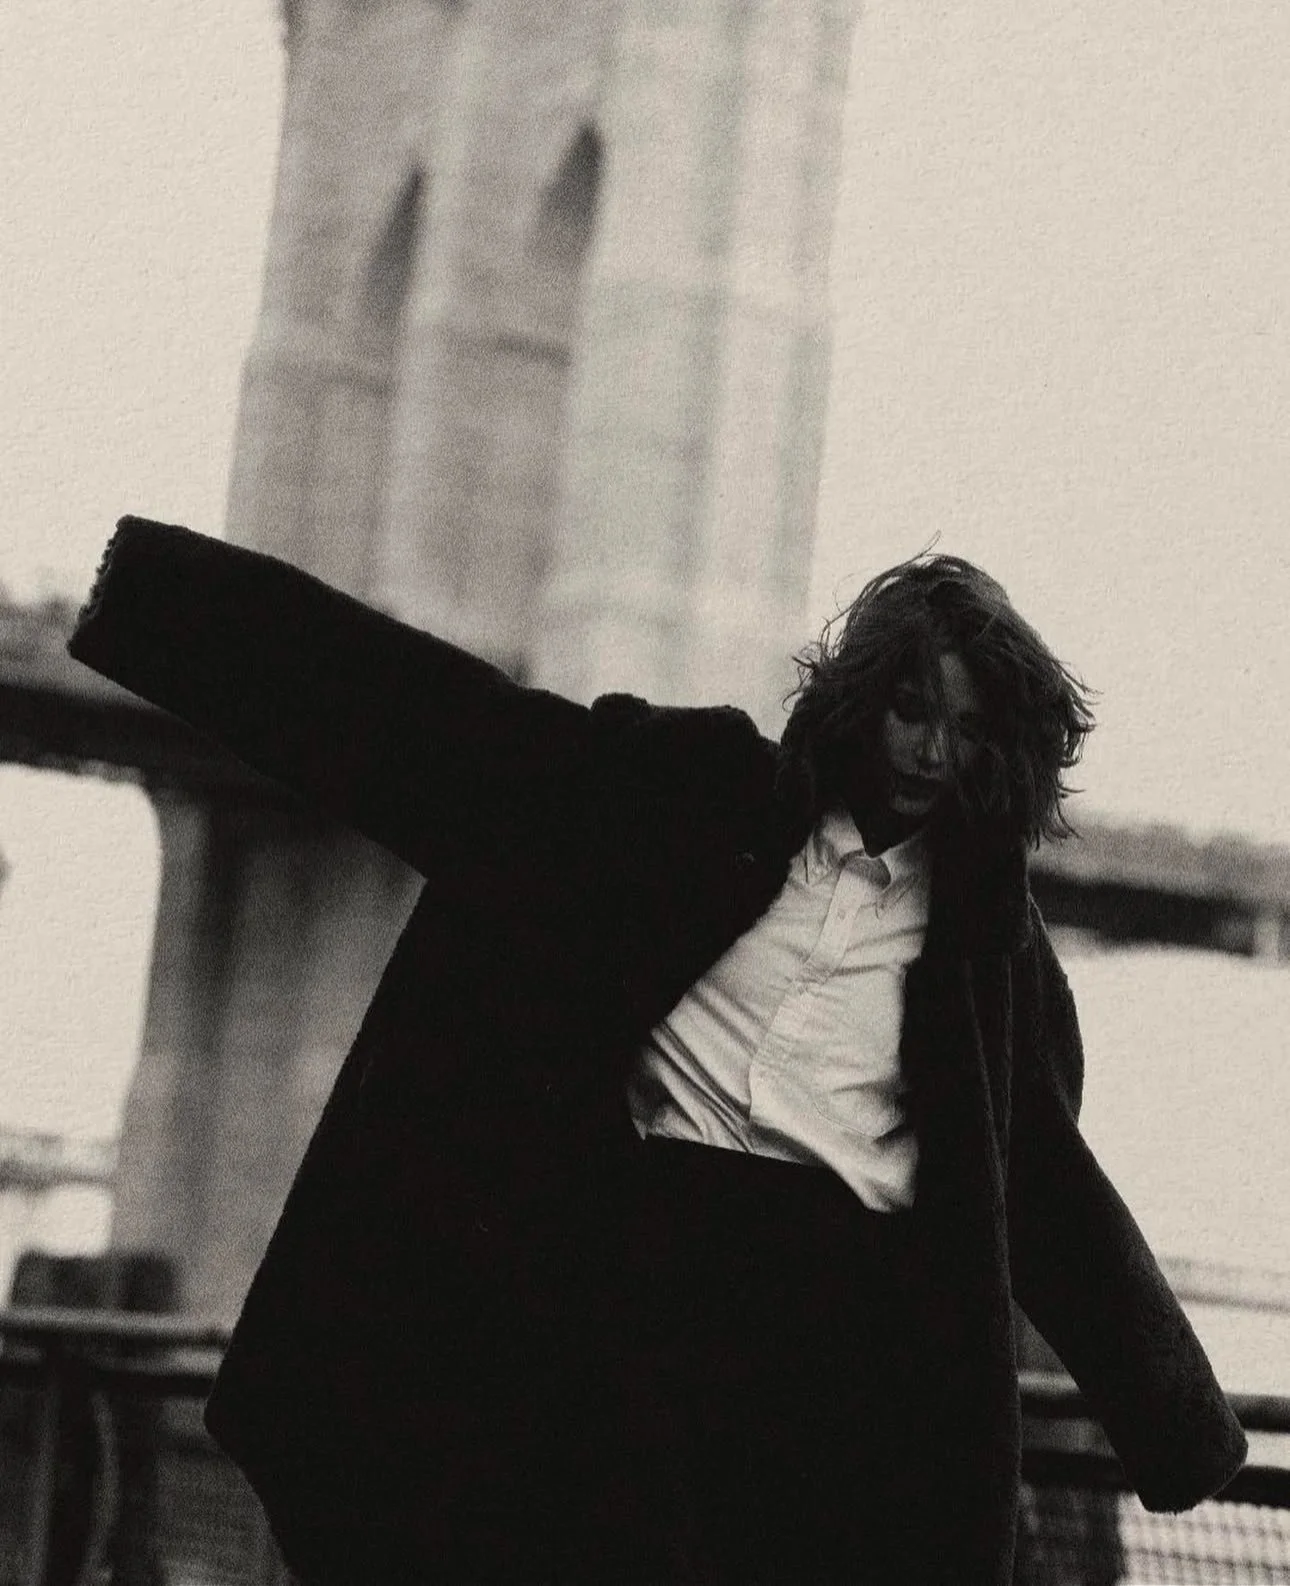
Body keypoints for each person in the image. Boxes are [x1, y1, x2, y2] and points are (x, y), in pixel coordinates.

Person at [67, 517, 1245, 1585]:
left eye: (970, 728)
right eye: (911, 707)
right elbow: (455, 731)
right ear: (858, 694)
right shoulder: (695, 796)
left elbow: (1046, 1188)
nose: (932, 751)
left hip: (827, 1343)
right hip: (631, 1284)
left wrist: (1180, 1426)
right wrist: (167, 601)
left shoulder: (993, 954)